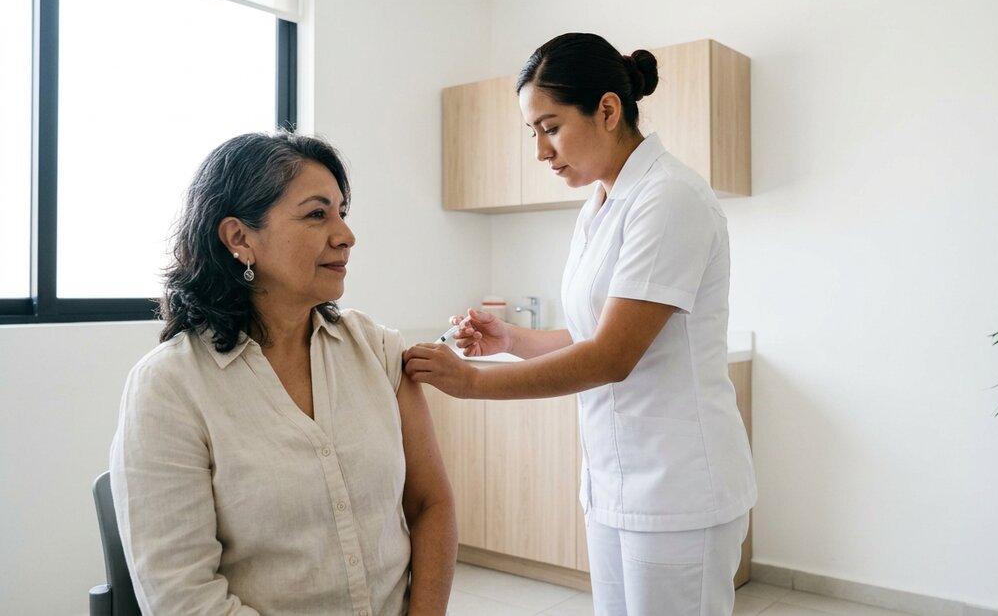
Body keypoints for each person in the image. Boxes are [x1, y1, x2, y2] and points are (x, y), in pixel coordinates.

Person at [404, 33, 757, 616]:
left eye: (550, 126)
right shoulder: (599, 205)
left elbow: (612, 357)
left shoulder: (669, 198)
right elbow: (591, 333)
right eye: (533, 133)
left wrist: (471, 382)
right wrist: (510, 339)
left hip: (677, 487)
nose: (541, 151)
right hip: (614, 483)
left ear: (609, 110)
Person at [110, 131, 457, 615]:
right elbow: (182, 598)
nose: (345, 235)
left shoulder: (376, 350)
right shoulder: (169, 387)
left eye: (341, 212)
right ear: (239, 238)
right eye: (317, 214)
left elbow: (429, 506)